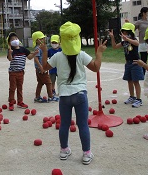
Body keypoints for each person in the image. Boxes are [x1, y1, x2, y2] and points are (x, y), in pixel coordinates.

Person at [39, 21, 107, 165]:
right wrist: (99, 53)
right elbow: (96, 68)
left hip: (64, 96)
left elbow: (44, 67)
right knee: (82, 125)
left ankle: (64, 150)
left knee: (64, 124)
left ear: (62, 40)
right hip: (80, 94)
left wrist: (44, 51)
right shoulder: (81, 55)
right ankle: (86, 154)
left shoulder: (57, 56)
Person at [109, 22, 144, 108]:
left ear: (130, 32)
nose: (124, 33)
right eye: (123, 31)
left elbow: (137, 43)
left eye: (125, 32)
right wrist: (112, 38)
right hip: (128, 63)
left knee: (136, 81)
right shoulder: (124, 42)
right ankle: (132, 97)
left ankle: (139, 100)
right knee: (129, 80)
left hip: (135, 63)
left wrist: (127, 39)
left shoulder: (134, 40)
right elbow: (114, 47)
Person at [7, 32, 38, 110]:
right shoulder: (11, 50)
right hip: (13, 73)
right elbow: (10, 59)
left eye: (16, 38)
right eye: (12, 39)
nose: (15, 40)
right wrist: (10, 53)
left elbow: (29, 57)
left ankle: (20, 102)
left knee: (20, 87)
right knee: (12, 88)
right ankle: (11, 102)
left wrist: (34, 54)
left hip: (21, 72)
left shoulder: (23, 49)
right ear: (10, 43)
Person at [32, 31, 59, 103]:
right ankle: (51, 97)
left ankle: (37, 97)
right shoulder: (38, 48)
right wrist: (41, 67)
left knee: (40, 83)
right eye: (41, 38)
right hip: (41, 69)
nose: (43, 40)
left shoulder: (41, 47)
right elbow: (36, 58)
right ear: (37, 40)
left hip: (39, 69)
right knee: (49, 82)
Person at [132, 7, 148, 74]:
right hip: (143, 43)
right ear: (143, 13)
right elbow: (132, 29)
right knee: (144, 59)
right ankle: (143, 73)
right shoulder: (139, 22)